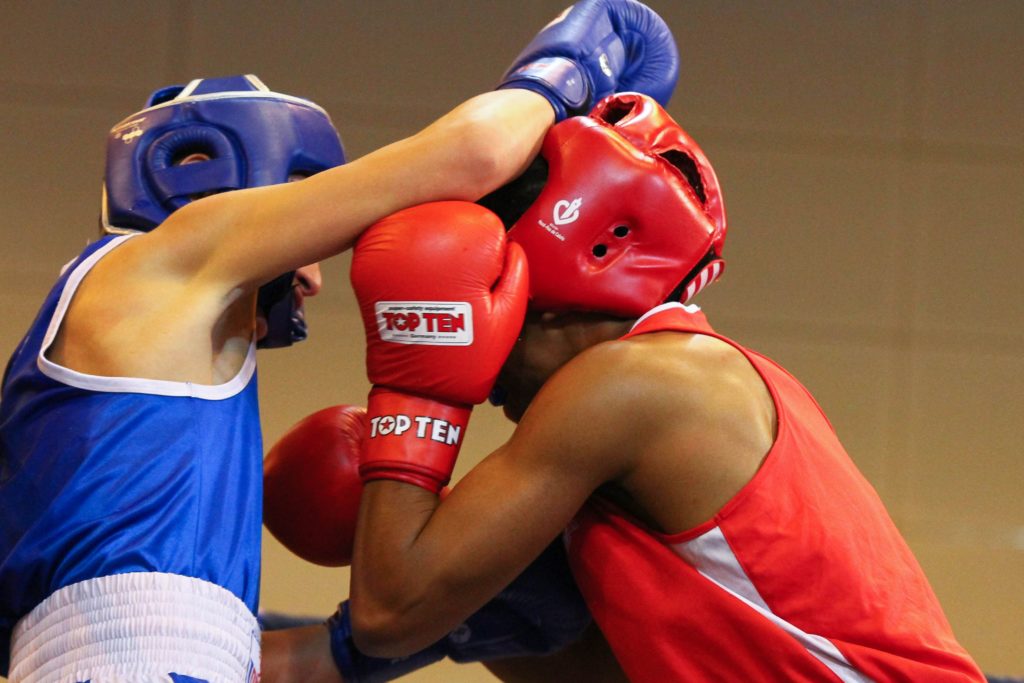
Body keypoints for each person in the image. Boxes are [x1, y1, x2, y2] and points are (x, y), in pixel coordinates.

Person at [0, 1, 679, 678]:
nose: (316, 278)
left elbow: (161, 639)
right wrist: (568, 72)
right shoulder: (154, 265)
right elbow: (472, 154)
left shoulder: (111, 382)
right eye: (307, 197)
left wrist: (380, 640)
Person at [335, 92, 987, 681]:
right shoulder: (695, 384)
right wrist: (421, 556)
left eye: (487, 299)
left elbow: (391, 613)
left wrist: (415, 385)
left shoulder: (630, 387)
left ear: (545, 290)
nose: (482, 356)